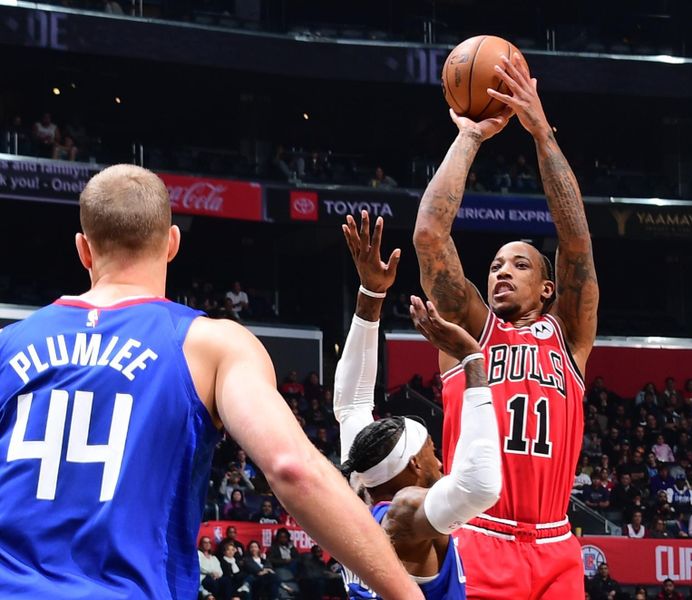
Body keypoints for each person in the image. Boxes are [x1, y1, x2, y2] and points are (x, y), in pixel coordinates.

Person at [0, 164, 423, 600]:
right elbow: (292, 467)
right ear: (172, 243)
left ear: (84, 250)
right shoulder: (210, 344)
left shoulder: (7, 345)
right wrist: (406, 594)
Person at [413, 52, 598, 599]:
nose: (501, 272)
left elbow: (577, 243)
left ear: (547, 288)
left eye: (519, 264)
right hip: (479, 535)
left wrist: (542, 133)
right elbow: (429, 236)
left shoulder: (568, 335)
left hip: (556, 542)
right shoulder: (469, 329)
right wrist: (469, 137)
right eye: (494, 264)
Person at [335, 212, 502, 599]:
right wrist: (473, 359)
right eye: (432, 452)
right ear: (413, 465)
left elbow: (352, 401)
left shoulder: (359, 487)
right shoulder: (407, 512)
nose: (440, 462)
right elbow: (481, 486)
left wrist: (371, 295)